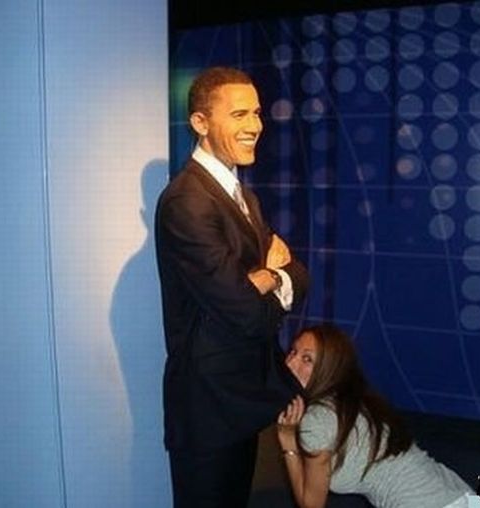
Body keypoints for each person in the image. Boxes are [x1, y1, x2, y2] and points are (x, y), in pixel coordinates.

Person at [154, 66, 309, 508]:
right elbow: (245, 311)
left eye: (257, 113)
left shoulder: (243, 197)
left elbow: (299, 274)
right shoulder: (187, 201)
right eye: (239, 114)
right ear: (200, 123)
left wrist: (270, 277)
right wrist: (268, 277)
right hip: (208, 409)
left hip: (238, 401)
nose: (255, 125)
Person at [277, 324, 477, 508]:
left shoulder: (316, 420)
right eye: (293, 351)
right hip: (460, 496)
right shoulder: (354, 401)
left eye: (307, 359)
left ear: (329, 368)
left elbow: (311, 505)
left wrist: (288, 439)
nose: (291, 363)